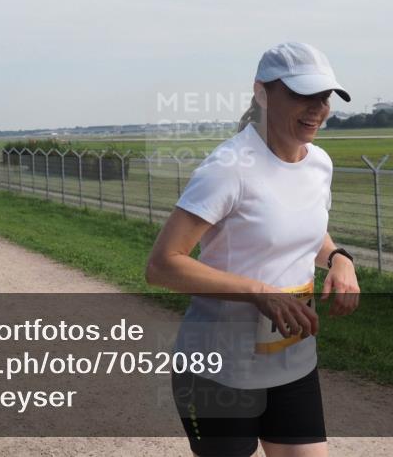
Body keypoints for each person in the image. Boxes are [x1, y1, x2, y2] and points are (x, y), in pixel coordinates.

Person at [146, 41, 360, 457]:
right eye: (302, 94)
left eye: (325, 96)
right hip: (219, 369)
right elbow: (162, 265)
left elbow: (305, 231)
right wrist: (258, 292)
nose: (318, 107)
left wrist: (339, 259)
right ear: (262, 93)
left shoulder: (319, 164)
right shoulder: (228, 169)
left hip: (292, 361)